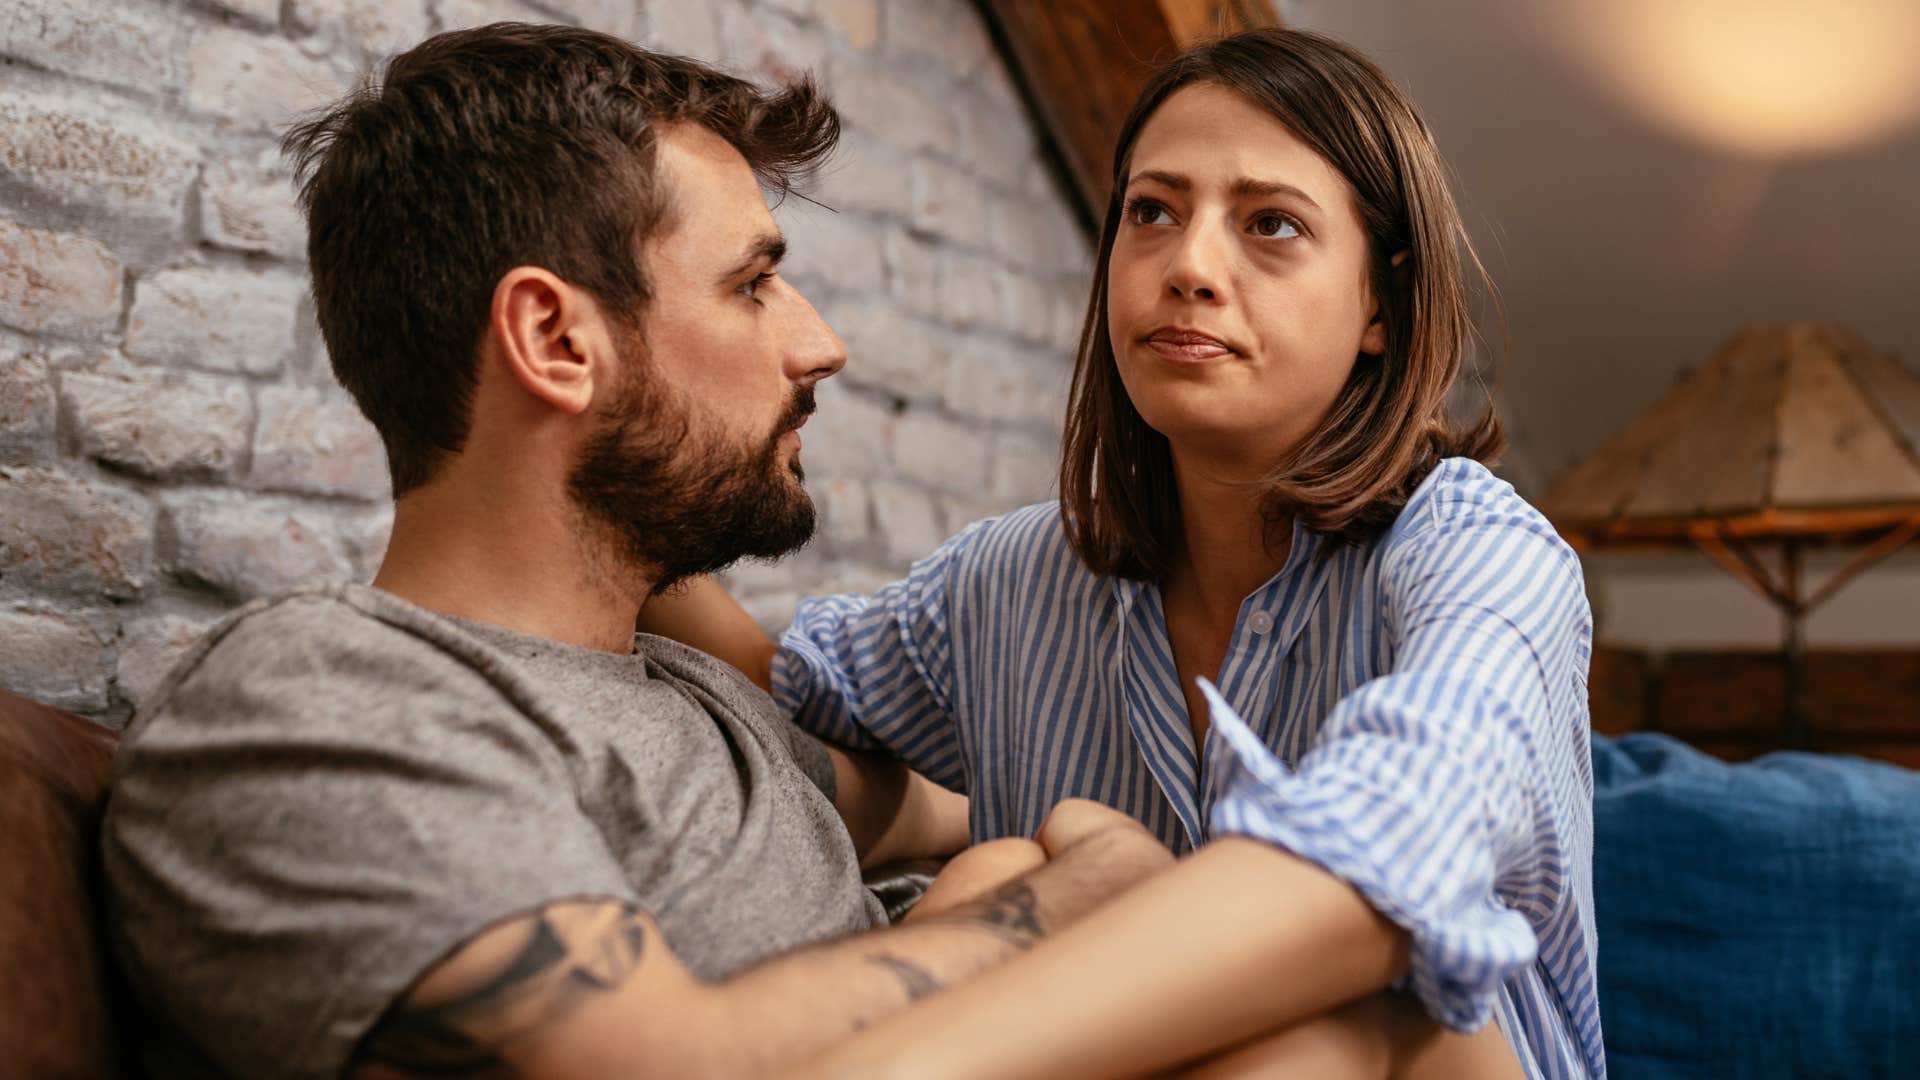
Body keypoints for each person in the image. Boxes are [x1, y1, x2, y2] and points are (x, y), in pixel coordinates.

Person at [98, 24, 1175, 1080]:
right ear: (557, 343)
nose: (821, 346)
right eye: (752, 285)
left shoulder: (693, 695)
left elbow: (969, 803)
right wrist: (1059, 906)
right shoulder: (325, 702)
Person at [642, 28, 1604, 1080]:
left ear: (1383, 301)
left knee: (1368, 1017)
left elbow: (1380, 866)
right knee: (1010, 862)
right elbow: (778, 693)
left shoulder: (1487, 561)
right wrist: (607, 466)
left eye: (1271, 225)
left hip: (1425, 1060)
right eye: (1152, 211)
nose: (1188, 266)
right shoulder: (1010, 582)